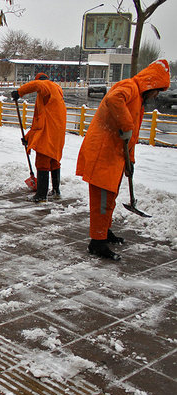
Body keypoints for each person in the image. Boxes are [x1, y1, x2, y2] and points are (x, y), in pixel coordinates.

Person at [76, 59, 170, 261]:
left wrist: (131, 161)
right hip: (102, 153)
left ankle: (104, 231)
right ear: (151, 84)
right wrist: (126, 125)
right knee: (101, 200)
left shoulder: (139, 101)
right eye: (158, 90)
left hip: (115, 156)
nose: (157, 95)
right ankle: (97, 243)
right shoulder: (129, 87)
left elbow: (131, 136)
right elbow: (113, 99)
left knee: (110, 197)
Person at [11, 72, 67, 202]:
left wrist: (19, 92)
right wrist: (28, 137)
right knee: (54, 161)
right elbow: (39, 121)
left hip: (47, 134)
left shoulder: (47, 86)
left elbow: (37, 85)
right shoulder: (54, 94)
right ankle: (56, 191)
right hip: (56, 134)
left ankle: (41, 195)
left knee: (42, 163)